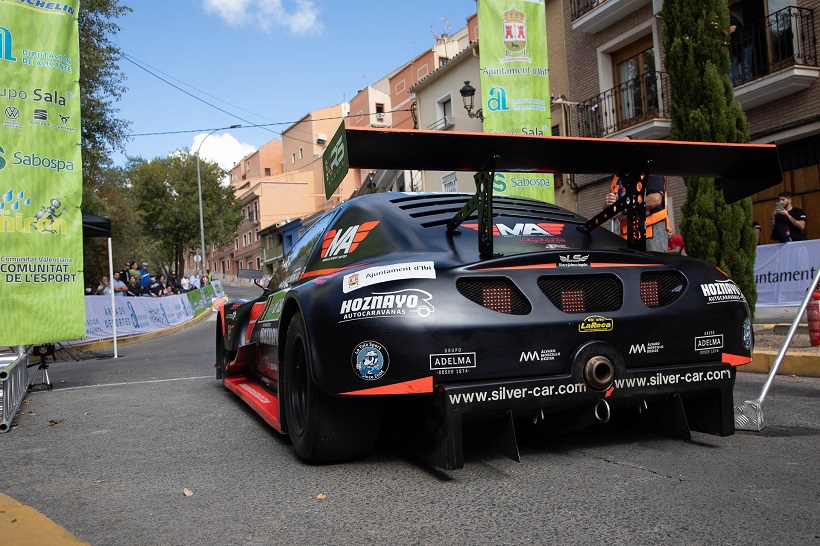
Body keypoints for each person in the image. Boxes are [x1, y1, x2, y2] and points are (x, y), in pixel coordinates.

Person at [605, 173, 669, 252]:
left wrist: (623, 212)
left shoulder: (649, 169)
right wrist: (607, 204)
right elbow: (612, 210)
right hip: (626, 236)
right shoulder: (617, 177)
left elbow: (655, 200)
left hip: (650, 232)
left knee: (653, 263)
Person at [729, 7, 753, 85]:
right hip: (734, 48)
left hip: (745, 44)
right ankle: (732, 86)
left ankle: (746, 83)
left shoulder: (730, 18)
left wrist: (721, 32)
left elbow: (732, 29)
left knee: (745, 65)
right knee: (732, 68)